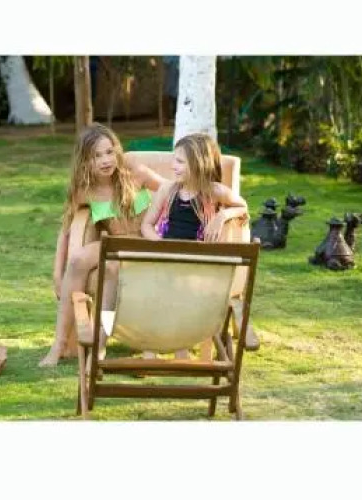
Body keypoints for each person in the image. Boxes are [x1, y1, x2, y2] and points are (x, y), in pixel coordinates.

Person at [39, 123, 165, 367]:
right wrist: (57, 274)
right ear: (85, 161)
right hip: (115, 245)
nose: (105, 160)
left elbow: (173, 190)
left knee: (111, 268)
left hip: (145, 243)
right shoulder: (84, 191)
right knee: (79, 260)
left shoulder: (135, 173)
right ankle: (59, 344)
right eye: (97, 156)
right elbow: (65, 230)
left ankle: (101, 344)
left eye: (109, 152)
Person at [140, 132, 250, 358]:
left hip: (197, 261)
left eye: (180, 161)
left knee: (180, 288)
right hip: (168, 256)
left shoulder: (214, 191)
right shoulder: (168, 190)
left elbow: (242, 206)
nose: (173, 166)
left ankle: (179, 347)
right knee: (159, 287)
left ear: (199, 164)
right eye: (174, 160)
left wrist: (222, 216)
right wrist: (160, 245)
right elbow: (146, 225)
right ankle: (152, 348)